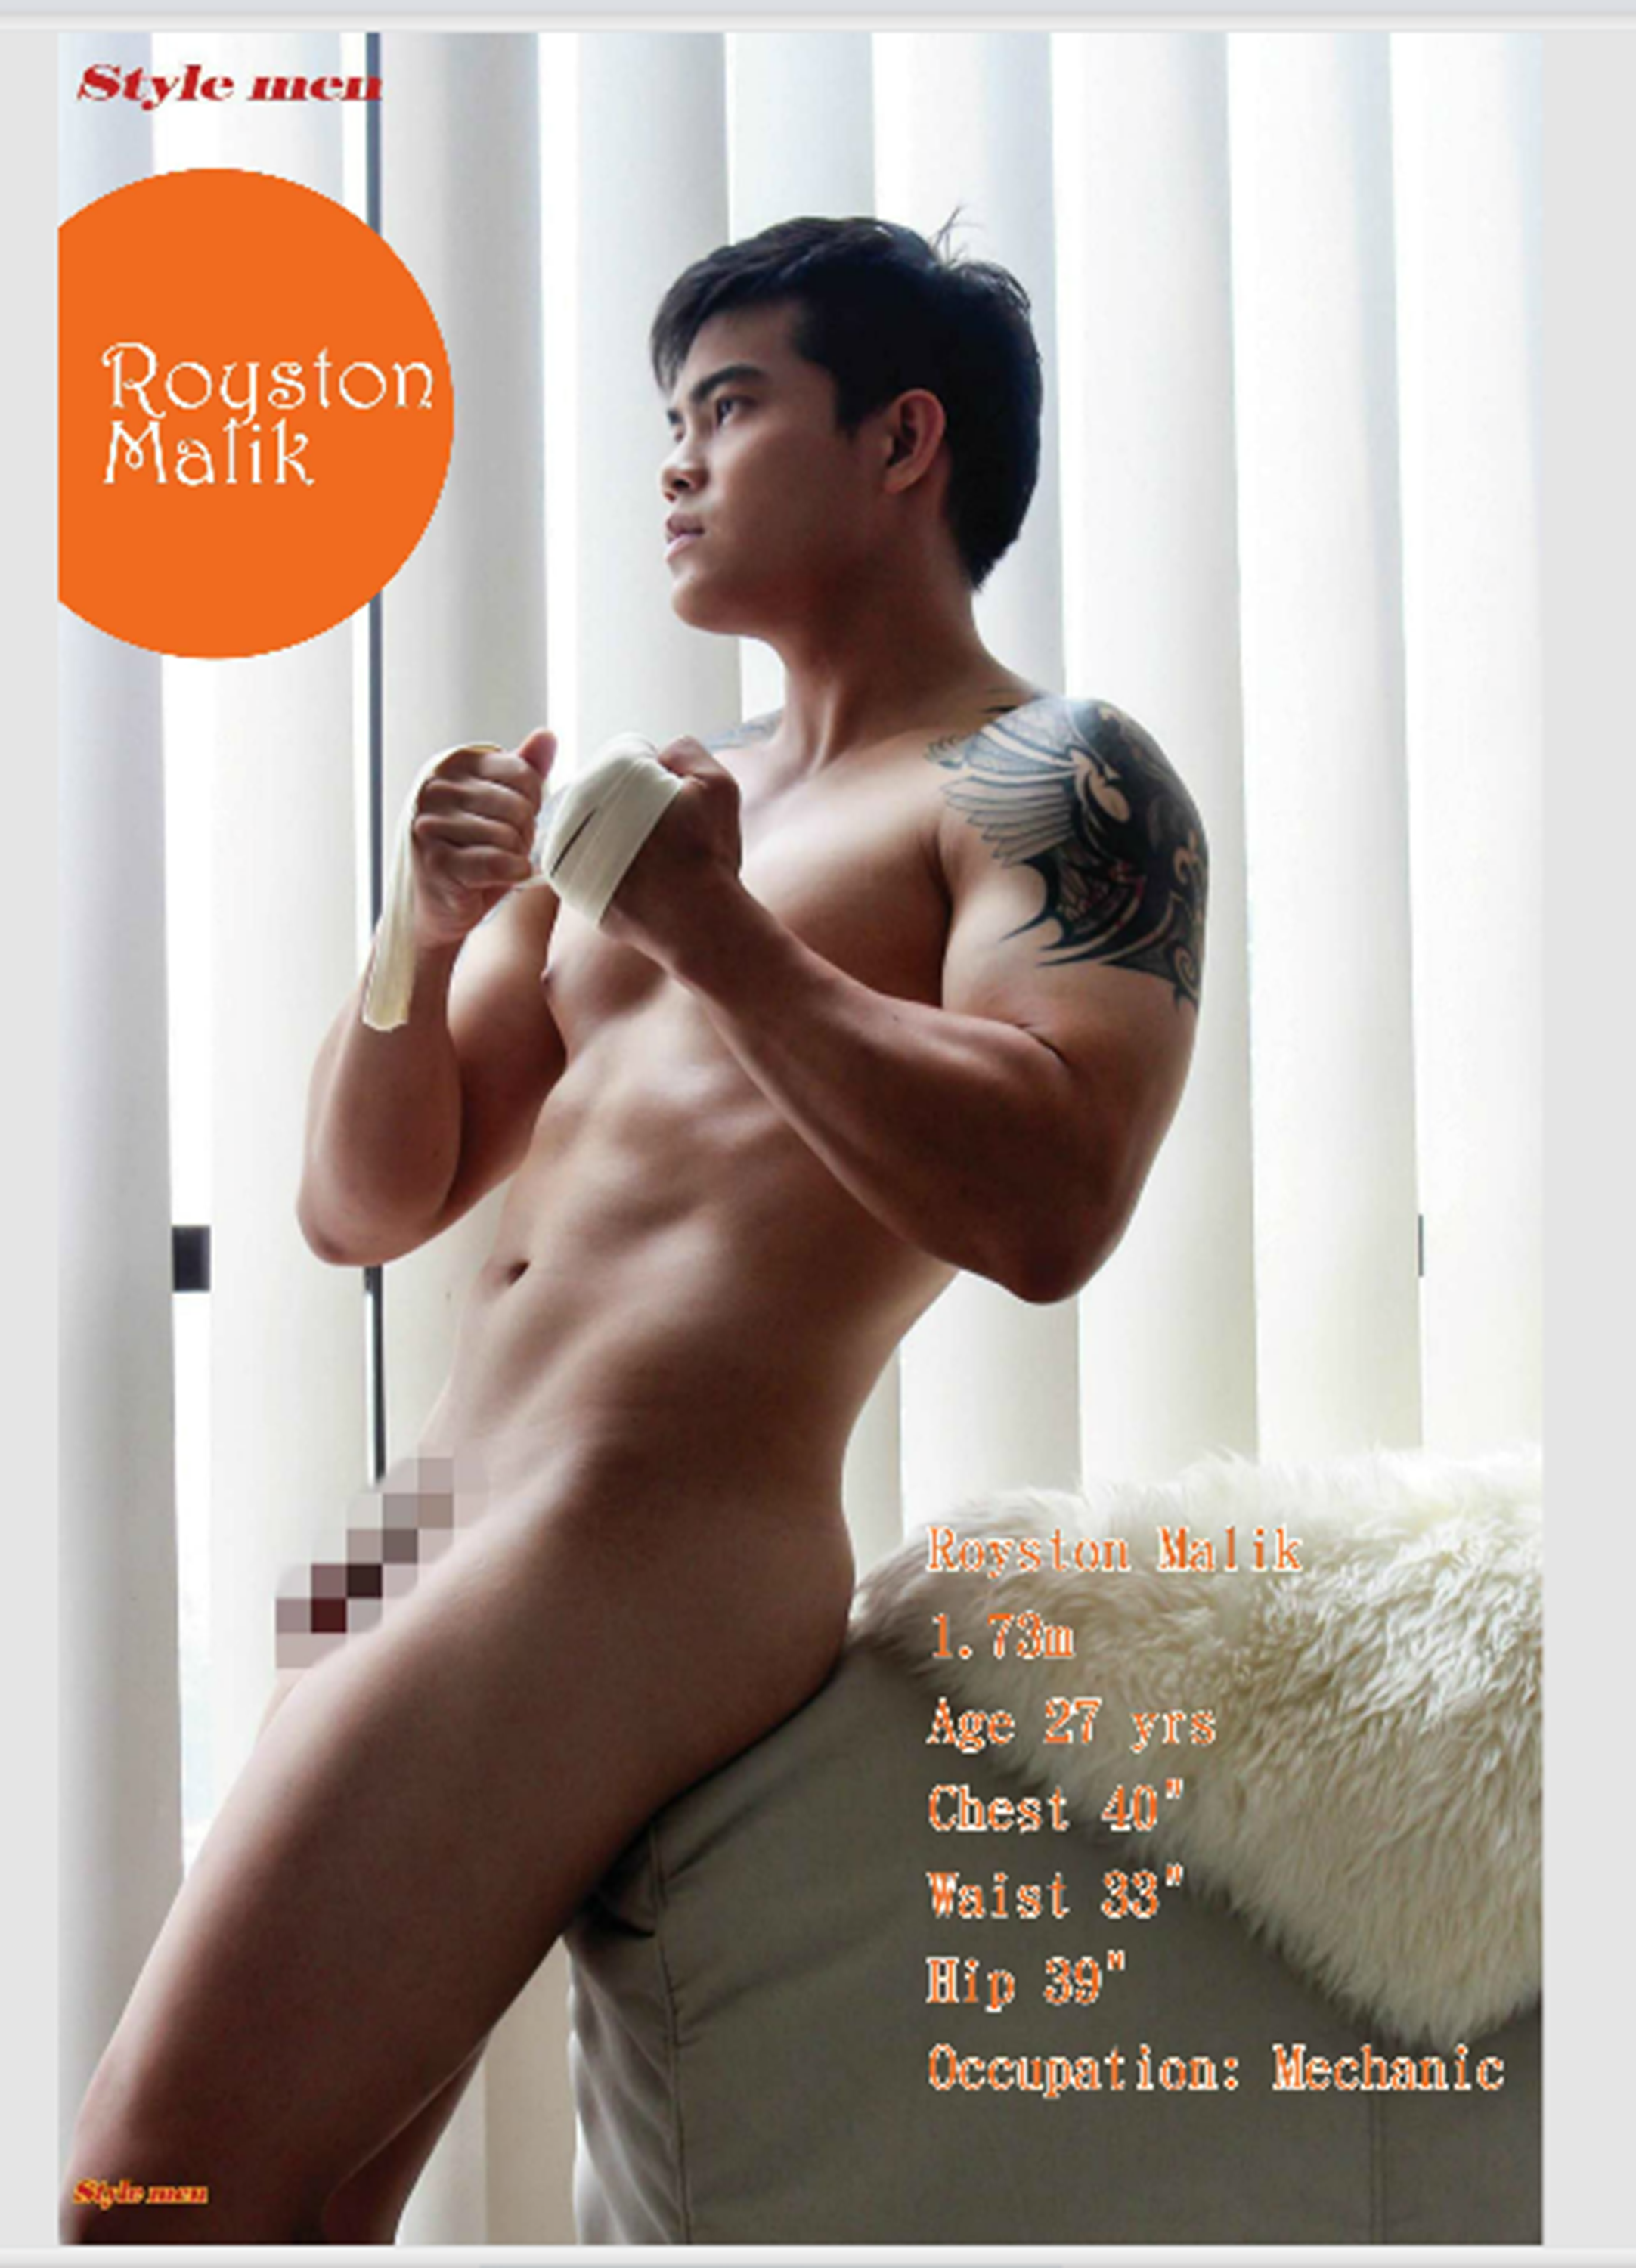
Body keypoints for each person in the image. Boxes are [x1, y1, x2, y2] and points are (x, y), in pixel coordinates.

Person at [60, 215, 1207, 2245]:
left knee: (141, 2207)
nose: (672, 463)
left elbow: (1055, 1202)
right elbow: (364, 1202)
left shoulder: (1046, 777)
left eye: (728, 407)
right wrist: (420, 939)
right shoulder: (676, 800)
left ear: (902, 441)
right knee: (285, 2217)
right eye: (668, 420)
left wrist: (705, 924)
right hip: (446, 1523)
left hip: (640, 1532)